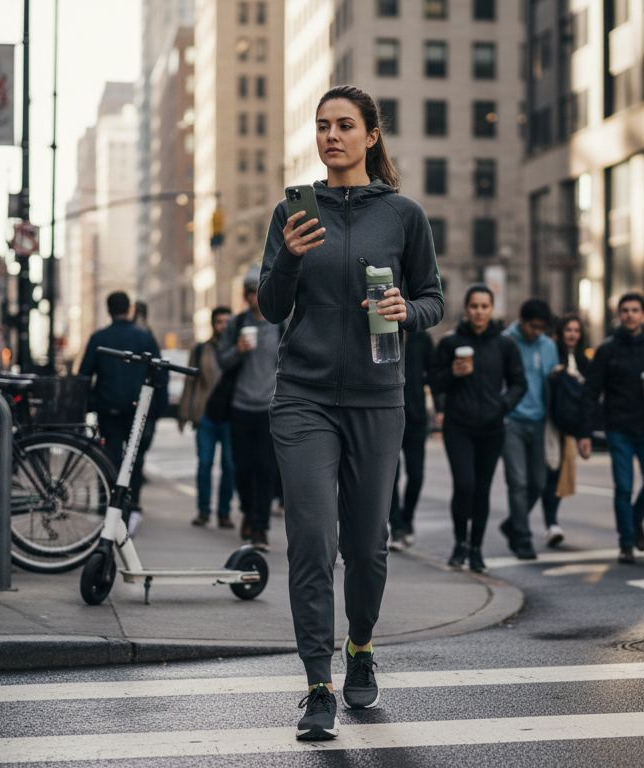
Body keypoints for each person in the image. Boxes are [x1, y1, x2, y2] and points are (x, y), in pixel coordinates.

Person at [259, 84, 443, 741]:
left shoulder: (402, 215)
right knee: (313, 540)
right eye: (322, 125)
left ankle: (361, 643)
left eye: (344, 125)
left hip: (377, 398)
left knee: (366, 546)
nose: (331, 135)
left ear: (370, 136)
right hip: (303, 398)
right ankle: (317, 683)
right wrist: (288, 255)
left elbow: (432, 298)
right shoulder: (293, 211)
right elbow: (271, 307)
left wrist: (406, 311)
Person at [576, 292, 644, 564]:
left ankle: (635, 521)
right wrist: (584, 433)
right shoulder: (607, 349)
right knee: (623, 487)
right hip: (618, 427)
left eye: (635, 310)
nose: (630, 315)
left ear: (643, 315)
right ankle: (626, 543)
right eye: (625, 311)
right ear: (619, 316)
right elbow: (591, 392)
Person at [431, 285, 526, 573]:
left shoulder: (505, 345)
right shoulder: (450, 343)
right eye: (474, 306)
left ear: (492, 309)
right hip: (459, 426)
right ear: (466, 309)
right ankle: (460, 543)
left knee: (482, 490)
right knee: (464, 485)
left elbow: (519, 383)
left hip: (491, 427)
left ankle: (476, 549)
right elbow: (434, 381)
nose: (479, 312)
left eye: (485, 306)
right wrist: (453, 374)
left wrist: (503, 405)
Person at [78, 291, 164, 535]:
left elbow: (85, 374)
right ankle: (131, 504)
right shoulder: (144, 337)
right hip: (137, 409)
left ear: (108, 310)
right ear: (128, 309)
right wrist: (157, 408)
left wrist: (89, 401)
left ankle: (109, 504)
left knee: (110, 458)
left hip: (108, 408)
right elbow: (160, 373)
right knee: (134, 460)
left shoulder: (99, 338)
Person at [219, 272, 280, 550]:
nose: (255, 296)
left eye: (259, 291)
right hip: (241, 406)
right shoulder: (236, 324)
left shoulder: (281, 323)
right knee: (241, 468)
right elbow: (223, 361)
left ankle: (260, 527)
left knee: (266, 469)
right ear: (245, 296)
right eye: (251, 292)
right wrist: (238, 351)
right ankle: (246, 511)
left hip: (270, 408)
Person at [495, 299, 557, 561]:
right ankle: (522, 538)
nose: (538, 332)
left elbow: (552, 383)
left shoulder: (548, 346)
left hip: (540, 422)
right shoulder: (505, 341)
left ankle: (512, 524)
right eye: (534, 326)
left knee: (538, 483)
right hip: (512, 422)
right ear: (522, 320)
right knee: (518, 482)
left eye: (543, 327)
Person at [178, 306, 236, 529]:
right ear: (213, 324)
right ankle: (203, 511)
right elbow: (190, 382)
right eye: (220, 322)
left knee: (229, 466)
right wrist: (184, 413)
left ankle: (224, 513)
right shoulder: (201, 350)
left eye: (227, 322)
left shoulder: (237, 348)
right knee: (204, 464)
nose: (224, 326)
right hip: (206, 417)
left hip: (231, 417)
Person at [540, 312, 590, 547]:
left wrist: (584, 433)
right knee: (550, 473)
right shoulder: (551, 353)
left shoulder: (584, 361)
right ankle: (551, 523)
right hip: (549, 423)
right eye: (568, 330)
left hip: (569, 427)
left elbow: (589, 398)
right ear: (561, 333)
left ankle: (551, 522)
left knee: (562, 477)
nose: (573, 334)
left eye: (576, 331)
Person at [388, 329, 434, 551]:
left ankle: (407, 520)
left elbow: (433, 374)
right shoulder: (381, 329)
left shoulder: (422, 337)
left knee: (417, 475)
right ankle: (396, 527)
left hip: (416, 416)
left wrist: (441, 407)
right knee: (391, 476)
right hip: (386, 414)